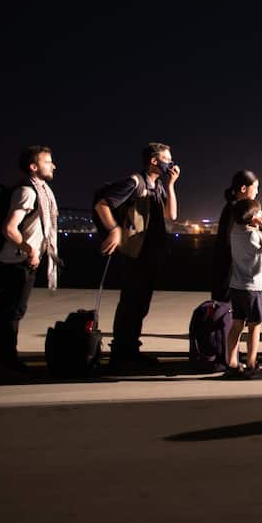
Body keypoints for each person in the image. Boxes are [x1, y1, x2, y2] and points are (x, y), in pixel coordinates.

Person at [94, 142, 180, 368]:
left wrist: (171, 185)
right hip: (136, 254)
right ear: (154, 161)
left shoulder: (158, 185)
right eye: (167, 159)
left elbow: (171, 215)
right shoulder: (135, 182)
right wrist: (114, 230)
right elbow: (102, 204)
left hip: (152, 254)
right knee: (131, 303)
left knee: (141, 305)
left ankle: (130, 349)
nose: (171, 163)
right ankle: (122, 353)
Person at [0, 147, 58, 375]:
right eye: (48, 162)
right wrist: (30, 250)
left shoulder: (41, 191)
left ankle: (2, 358)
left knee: (11, 310)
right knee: (11, 311)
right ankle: (3, 360)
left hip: (22, 260)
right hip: (16, 261)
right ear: (33, 166)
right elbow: (9, 229)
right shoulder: (27, 192)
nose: (53, 165)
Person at [225, 198, 262, 378]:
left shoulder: (234, 232)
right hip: (253, 288)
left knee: (237, 324)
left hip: (236, 286)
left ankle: (231, 363)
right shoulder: (255, 236)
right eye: (259, 213)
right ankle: (251, 364)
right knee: (254, 327)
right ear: (254, 217)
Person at [213, 170, 260, 301]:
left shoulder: (231, 207)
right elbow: (230, 240)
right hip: (230, 270)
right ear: (244, 188)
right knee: (230, 308)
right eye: (255, 188)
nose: (257, 192)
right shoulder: (235, 210)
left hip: (226, 266)